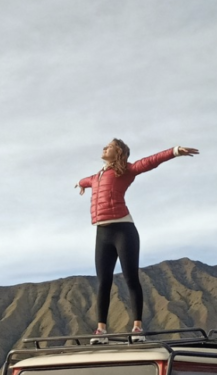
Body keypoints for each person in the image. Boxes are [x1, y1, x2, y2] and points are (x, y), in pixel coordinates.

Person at [76, 139, 199, 339]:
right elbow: (85, 181)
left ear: (120, 152)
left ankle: (137, 327)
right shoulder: (95, 176)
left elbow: (150, 161)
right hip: (102, 234)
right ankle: (101, 330)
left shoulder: (126, 171)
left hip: (124, 231)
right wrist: (80, 184)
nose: (104, 147)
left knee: (130, 277)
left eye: (110, 146)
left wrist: (175, 151)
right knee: (103, 281)